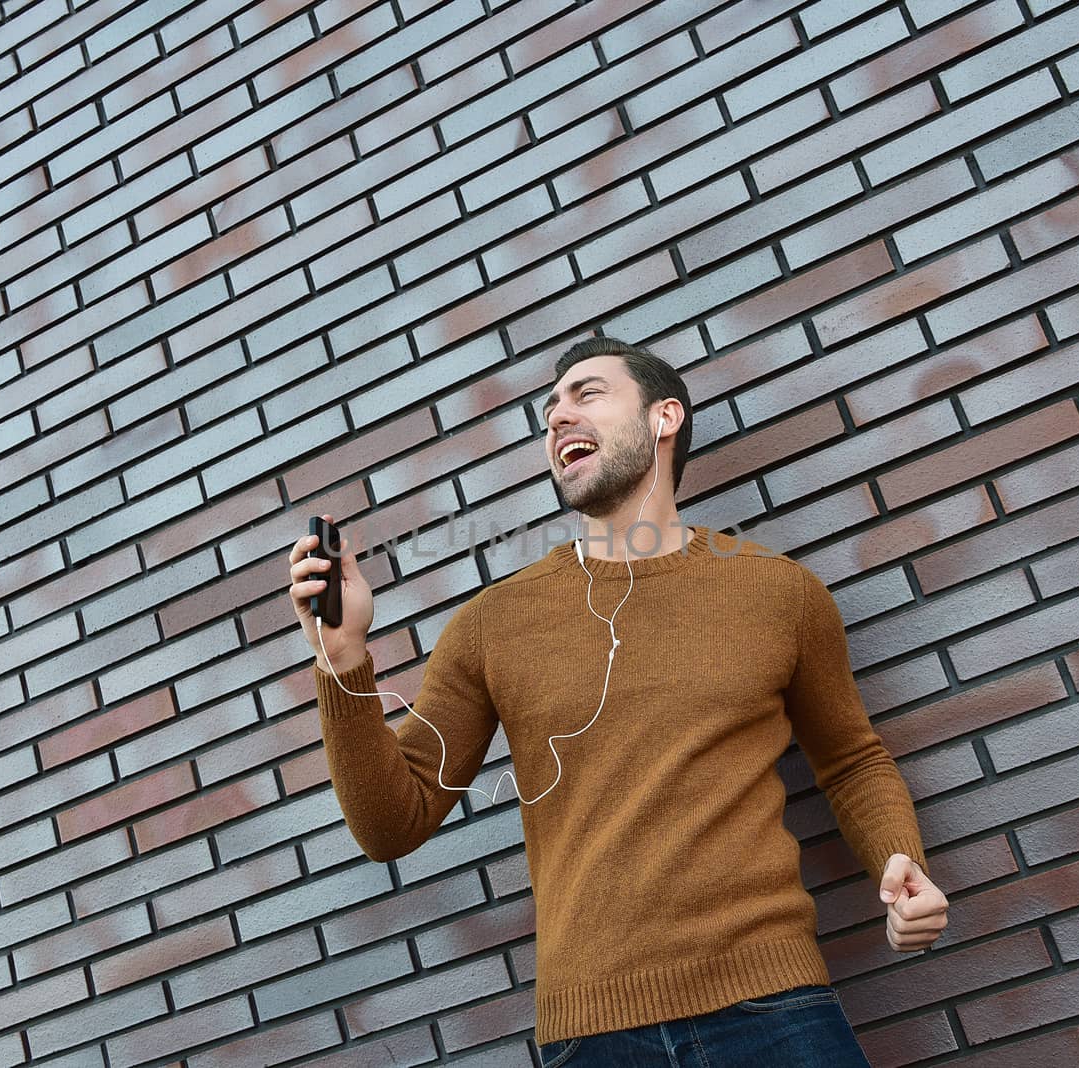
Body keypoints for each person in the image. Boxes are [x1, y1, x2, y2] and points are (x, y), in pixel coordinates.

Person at [289, 336, 949, 1065]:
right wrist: (343, 659)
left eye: (586, 394)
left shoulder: (778, 594)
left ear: (665, 417)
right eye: (547, 413)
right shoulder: (491, 624)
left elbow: (852, 761)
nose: (557, 419)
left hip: (774, 1007)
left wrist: (901, 861)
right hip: (592, 1036)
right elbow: (391, 824)